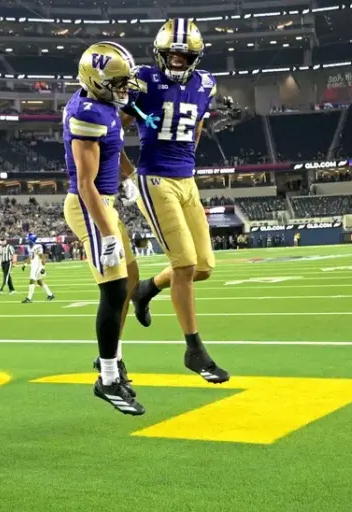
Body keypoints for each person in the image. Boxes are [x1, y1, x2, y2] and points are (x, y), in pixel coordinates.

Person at [122, 18, 229, 384]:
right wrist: (127, 178)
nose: (178, 60)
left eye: (184, 55)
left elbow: (197, 123)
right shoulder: (144, 80)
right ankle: (194, 350)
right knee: (183, 265)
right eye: (172, 54)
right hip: (154, 179)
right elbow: (112, 129)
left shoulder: (205, 84)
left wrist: (189, 159)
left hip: (187, 180)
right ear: (160, 53)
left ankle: (146, 288)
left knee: (203, 267)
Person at [63, 41, 145, 415]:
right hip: (89, 205)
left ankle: (114, 361)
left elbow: (115, 147)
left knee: (129, 278)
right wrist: (108, 232)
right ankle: (108, 378)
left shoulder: (106, 105)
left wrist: (127, 176)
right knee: (113, 291)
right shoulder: (88, 114)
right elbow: (85, 185)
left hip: (105, 201)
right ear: (96, 82)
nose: (124, 88)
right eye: (117, 82)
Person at [21, 233, 55, 303]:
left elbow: (42, 257)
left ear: (32, 240)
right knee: (39, 282)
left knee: (32, 280)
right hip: (34, 266)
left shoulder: (37, 246)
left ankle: (29, 298)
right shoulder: (29, 247)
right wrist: (25, 263)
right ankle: (50, 294)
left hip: (37, 267)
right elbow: (30, 257)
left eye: (28, 240)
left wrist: (43, 267)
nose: (27, 242)